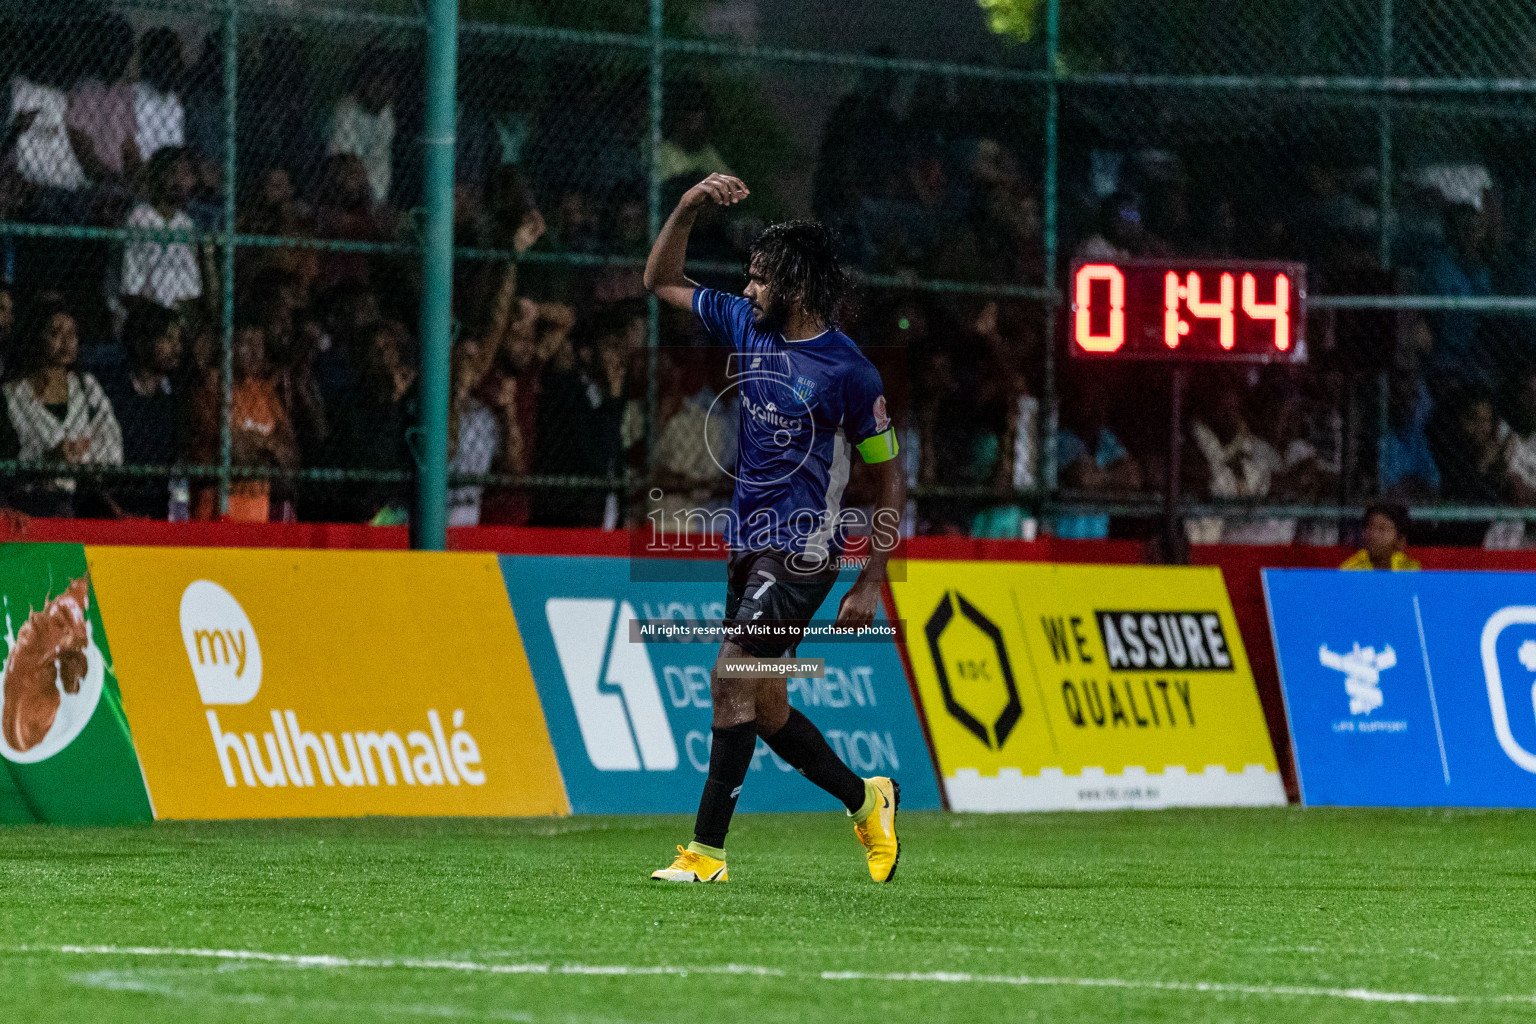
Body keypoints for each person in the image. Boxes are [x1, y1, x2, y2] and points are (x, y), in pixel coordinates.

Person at [644, 173, 903, 884]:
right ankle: (866, 799)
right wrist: (691, 206)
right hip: (747, 547)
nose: (748, 289)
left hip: (803, 553)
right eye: (749, 278)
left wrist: (870, 579)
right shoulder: (743, 324)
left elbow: (888, 479)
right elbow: (659, 278)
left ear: (795, 284)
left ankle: (705, 854)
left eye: (761, 280)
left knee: (729, 677)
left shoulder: (850, 372)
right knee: (763, 706)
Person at [3, 297, 123, 517]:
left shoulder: (87, 388)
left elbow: (111, 444)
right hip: (28, 500)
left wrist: (80, 455)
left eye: (73, 333)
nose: (66, 341)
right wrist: (47, 460)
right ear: (36, 336)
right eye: (56, 332)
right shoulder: (12, 395)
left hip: (79, 498)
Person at [188, 320, 298, 522]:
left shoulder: (266, 393)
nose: (256, 353)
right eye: (247, 344)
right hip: (216, 517)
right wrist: (268, 446)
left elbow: (289, 456)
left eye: (260, 345)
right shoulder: (211, 390)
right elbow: (233, 450)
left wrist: (253, 443)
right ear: (229, 347)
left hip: (258, 517)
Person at [99, 297, 184, 518]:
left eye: (178, 339)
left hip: (155, 510)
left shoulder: (170, 400)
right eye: (167, 338)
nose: (177, 347)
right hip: (112, 510)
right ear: (142, 342)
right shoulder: (113, 395)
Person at [121, 147, 203, 309]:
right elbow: (131, 285)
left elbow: (193, 286)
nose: (179, 181)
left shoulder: (186, 223)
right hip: (149, 311)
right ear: (158, 175)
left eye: (185, 174)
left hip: (179, 310)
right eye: (172, 172)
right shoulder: (140, 217)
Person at [327, 49, 396, 207]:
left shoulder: (387, 112)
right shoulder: (346, 110)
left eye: (388, 83)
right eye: (378, 84)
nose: (384, 90)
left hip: (381, 195)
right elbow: (346, 160)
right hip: (354, 196)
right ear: (362, 83)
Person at [1341, 502, 1419, 570]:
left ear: (1401, 541)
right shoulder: (1351, 570)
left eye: (1382, 529)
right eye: (1370, 527)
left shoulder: (1410, 571)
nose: (1373, 535)